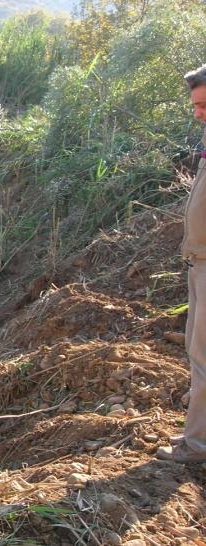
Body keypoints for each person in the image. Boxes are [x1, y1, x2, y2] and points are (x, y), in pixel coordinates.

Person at [157, 64, 206, 462]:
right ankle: (194, 435)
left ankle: (198, 445)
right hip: (199, 263)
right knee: (196, 351)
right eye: (195, 105)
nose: (197, 113)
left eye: (203, 104)